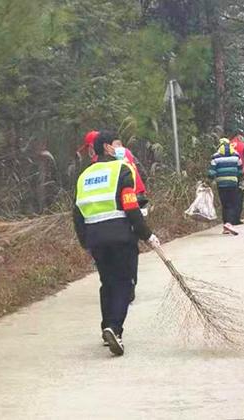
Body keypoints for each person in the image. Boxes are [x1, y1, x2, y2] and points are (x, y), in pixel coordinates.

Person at [73, 131, 159, 356]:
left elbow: (77, 212)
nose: (118, 148)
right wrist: (146, 234)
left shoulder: (84, 175)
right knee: (124, 283)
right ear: (108, 148)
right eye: (115, 144)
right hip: (120, 236)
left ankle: (106, 328)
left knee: (107, 282)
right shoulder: (122, 169)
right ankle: (115, 329)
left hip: (95, 238)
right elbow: (130, 205)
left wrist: (85, 242)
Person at [208, 138, 243, 235]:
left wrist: (210, 179)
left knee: (225, 204)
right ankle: (229, 223)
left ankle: (226, 226)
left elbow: (211, 173)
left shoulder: (215, 157)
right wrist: (238, 177)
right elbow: (241, 171)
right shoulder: (236, 155)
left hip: (221, 184)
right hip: (233, 183)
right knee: (232, 204)